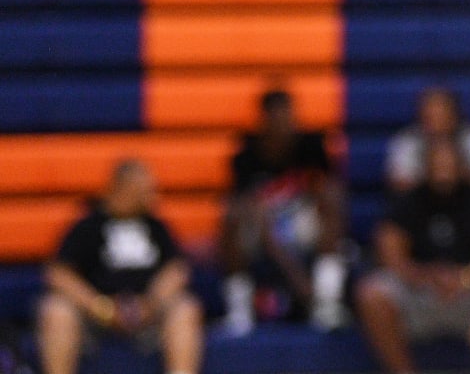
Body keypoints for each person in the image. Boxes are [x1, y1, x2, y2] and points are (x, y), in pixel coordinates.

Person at [357, 137, 470, 374]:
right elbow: (389, 251)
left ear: (462, 167)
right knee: (372, 294)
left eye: (449, 165)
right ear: (425, 167)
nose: (443, 172)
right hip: (421, 291)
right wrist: (425, 276)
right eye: (437, 165)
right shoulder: (408, 200)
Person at [37, 159, 204, 374]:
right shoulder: (89, 226)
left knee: (185, 308)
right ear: (122, 188)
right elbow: (58, 274)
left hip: (148, 315)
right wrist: (100, 308)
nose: (153, 197)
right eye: (145, 190)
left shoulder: (156, 226)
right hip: (94, 316)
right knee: (56, 310)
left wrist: (150, 304)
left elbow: (177, 271)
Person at [220, 88, 347, 333]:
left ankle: (327, 303)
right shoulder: (246, 155)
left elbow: (328, 191)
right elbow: (248, 210)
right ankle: (239, 311)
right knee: (232, 220)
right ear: (264, 121)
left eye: (288, 118)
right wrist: (296, 275)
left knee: (332, 204)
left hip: (301, 220)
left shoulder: (311, 145)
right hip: (263, 230)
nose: (284, 126)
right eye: (277, 119)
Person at [386, 86, 470, 195]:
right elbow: (399, 184)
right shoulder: (408, 140)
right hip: (421, 210)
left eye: (441, 113)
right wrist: (434, 178)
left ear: (454, 113)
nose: (436, 121)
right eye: (430, 114)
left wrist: (455, 176)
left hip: (469, 208)